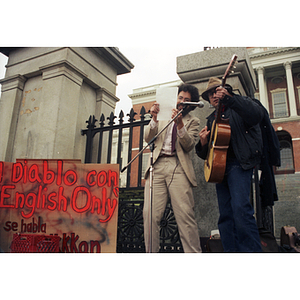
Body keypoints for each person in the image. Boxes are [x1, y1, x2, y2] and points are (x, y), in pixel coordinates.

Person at [195, 77, 263, 252]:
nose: (214, 96)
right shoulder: (211, 119)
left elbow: (256, 115)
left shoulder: (239, 105)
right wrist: (202, 144)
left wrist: (231, 100)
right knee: (225, 215)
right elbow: (209, 152)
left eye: (216, 91)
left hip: (239, 164)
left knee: (241, 209)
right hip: (220, 169)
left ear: (225, 90)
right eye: (210, 94)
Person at [143, 83, 202, 253]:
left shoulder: (193, 121)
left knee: (185, 216)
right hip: (157, 165)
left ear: (191, 104)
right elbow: (148, 138)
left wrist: (180, 125)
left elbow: (189, 145)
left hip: (178, 166)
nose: (182, 101)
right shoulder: (161, 115)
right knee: (150, 216)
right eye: (180, 97)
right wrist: (154, 118)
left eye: (187, 100)